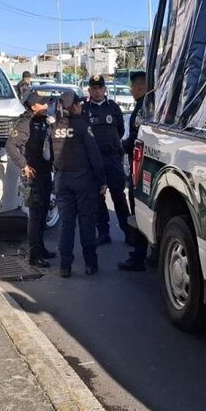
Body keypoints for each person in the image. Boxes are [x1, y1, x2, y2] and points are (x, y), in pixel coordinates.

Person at [51, 91, 106, 278]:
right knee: (86, 223)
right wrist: (102, 181)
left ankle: (64, 266)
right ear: (73, 106)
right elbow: (95, 156)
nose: (81, 107)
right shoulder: (83, 126)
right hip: (83, 181)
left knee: (66, 225)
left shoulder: (55, 127)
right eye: (79, 104)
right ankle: (90, 264)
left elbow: (49, 155)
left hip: (61, 180)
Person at [5, 93, 56, 268]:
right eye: (42, 104)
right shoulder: (25, 123)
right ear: (33, 106)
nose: (46, 106)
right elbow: (10, 146)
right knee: (35, 216)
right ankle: (34, 255)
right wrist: (24, 165)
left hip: (45, 173)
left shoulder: (44, 121)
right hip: (32, 175)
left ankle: (40, 248)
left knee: (43, 214)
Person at [84, 74, 131, 246]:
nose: (97, 91)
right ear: (89, 90)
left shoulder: (113, 107)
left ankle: (127, 231)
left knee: (118, 196)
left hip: (112, 158)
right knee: (97, 198)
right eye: (94, 88)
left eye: (99, 88)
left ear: (104, 90)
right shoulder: (85, 109)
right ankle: (103, 233)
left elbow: (120, 130)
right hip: (94, 161)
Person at [119, 71, 150, 271]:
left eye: (132, 86)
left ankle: (138, 257)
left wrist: (123, 146)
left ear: (140, 86)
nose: (130, 90)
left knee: (138, 210)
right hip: (145, 166)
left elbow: (137, 139)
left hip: (139, 168)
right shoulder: (151, 104)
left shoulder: (142, 108)